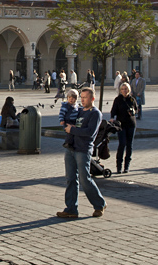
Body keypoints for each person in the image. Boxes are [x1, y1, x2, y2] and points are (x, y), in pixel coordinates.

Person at [57, 87, 107, 219]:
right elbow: (68, 120)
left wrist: (72, 130)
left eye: (85, 97)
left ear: (92, 99)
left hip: (83, 149)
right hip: (71, 147)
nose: (83, 100)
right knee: (70, 179)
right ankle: (71, 209)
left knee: (85, 179)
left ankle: (99, 204)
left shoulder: (95, 114)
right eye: (82, 97)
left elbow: (89, 133)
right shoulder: (78, 111)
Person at [110, 82, 138, 174]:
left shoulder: (131, 99)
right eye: (122, 89)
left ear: (128, 90)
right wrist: (112, 118)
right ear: (120, 90)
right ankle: (119, 166)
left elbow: (136, 109)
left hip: (131, 124)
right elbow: (113, 110)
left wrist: (133, 111)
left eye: (126, 89)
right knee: (122, 144)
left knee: (129, 145)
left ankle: (127, 166)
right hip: (121, 124)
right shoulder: (117, 99)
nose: (124, 91)